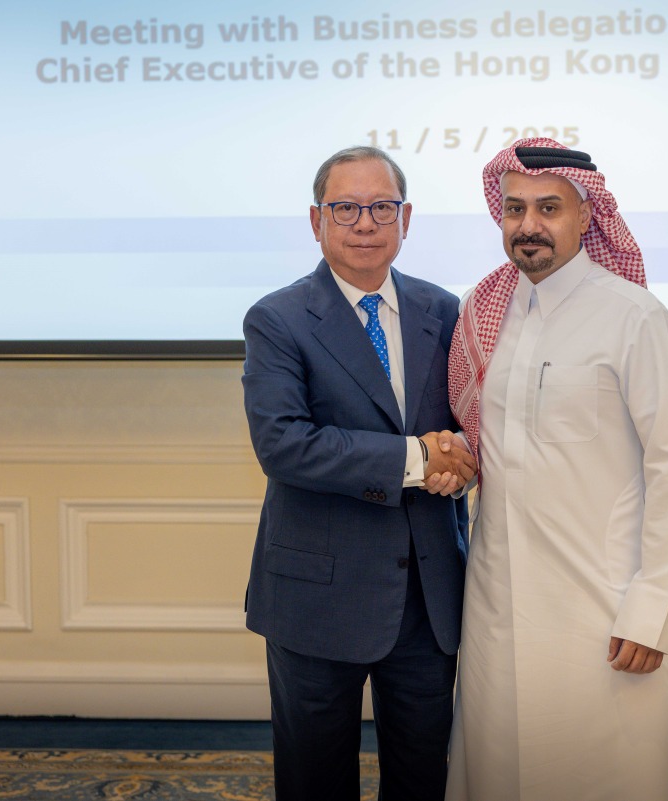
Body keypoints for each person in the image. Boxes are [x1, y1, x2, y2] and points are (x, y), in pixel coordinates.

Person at [444, 139, 668, 801]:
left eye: (549, 207)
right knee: (499, 770)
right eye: (515, 208)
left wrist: (650, 609)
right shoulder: (483, 312)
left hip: (601, 605)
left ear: (586, 216)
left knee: (600, 772)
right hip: (498, 602)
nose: (529, 224)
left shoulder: (635, 317)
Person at [241, 145, 475, 801]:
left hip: (428, 604)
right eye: (345, 208)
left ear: (406, 218)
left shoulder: (445, 311)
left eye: (381, 207)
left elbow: (470, 426)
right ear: (316, 220)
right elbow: (283, 444)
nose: (364, 223)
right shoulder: (278, 318)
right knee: (317, 783)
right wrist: (417, 459)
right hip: (319, 599)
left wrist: (460, 457)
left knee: (422, 779)